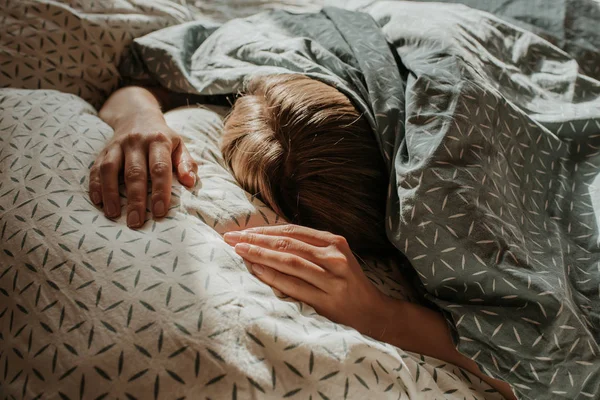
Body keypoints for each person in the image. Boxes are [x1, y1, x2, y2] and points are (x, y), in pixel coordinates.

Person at [89, 74, 515, 400]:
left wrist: (383, 315)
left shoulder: (444, 187)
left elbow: (566, 369)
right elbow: (136, 83)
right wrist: (141, 118)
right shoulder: (258, 71)